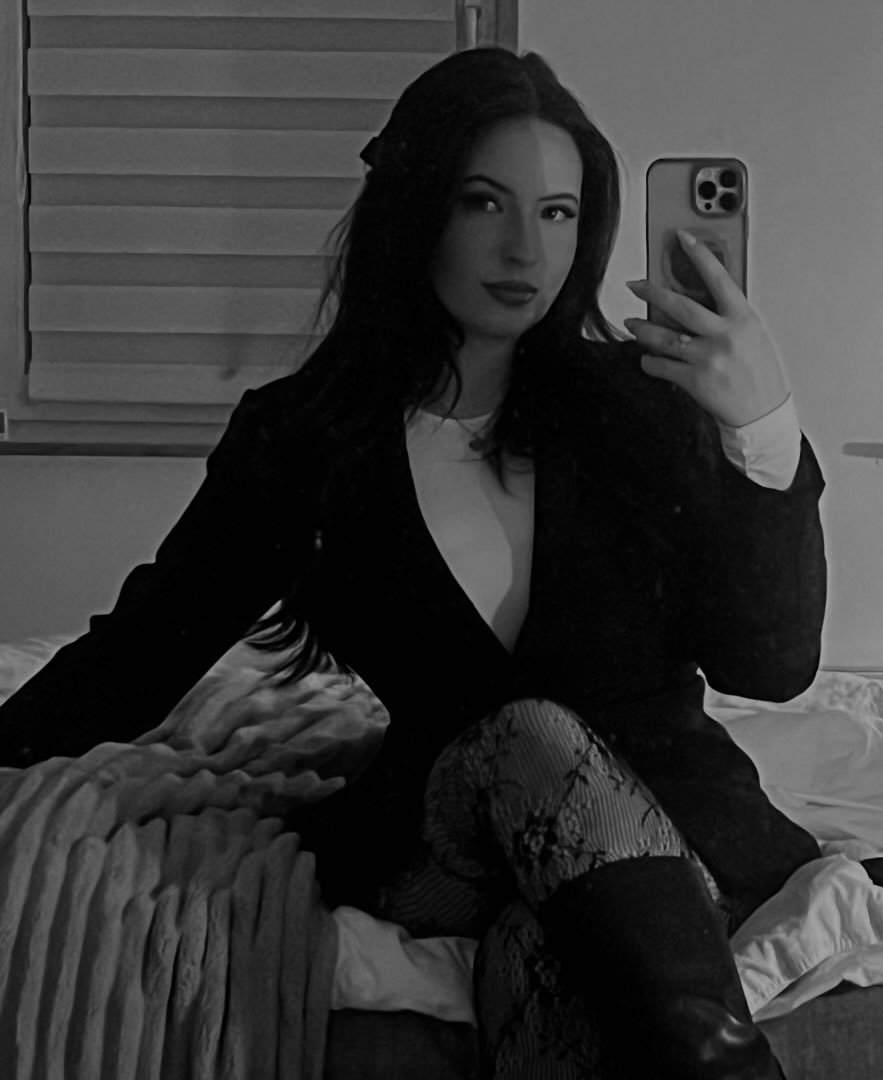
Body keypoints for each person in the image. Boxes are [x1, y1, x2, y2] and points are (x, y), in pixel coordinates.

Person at [0, 47, 826, 1079]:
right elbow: (143, 651)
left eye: (559, 213)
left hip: (662, 840)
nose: (525, 247)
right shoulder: (305, 440)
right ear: (415, 206)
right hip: (446, 843)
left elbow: (772, 664)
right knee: (530, 732)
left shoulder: (643, 405)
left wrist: (763, 429)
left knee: (544, 956)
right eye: (485, 202)